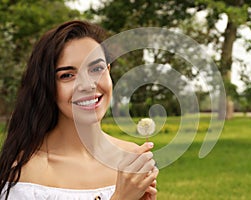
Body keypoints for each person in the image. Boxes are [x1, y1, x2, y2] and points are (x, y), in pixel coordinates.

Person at [0, 20, 158, 200]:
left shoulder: (132, 158)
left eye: (96, 69)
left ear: (108, 71)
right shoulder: (25, 173)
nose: (88, 85)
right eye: (67, 75)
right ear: (47, 86)